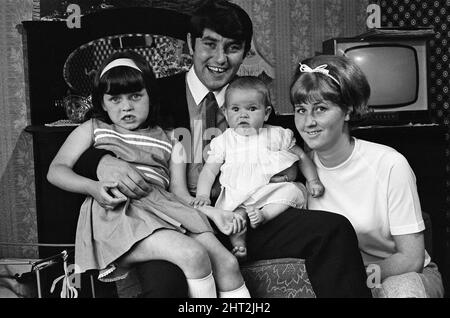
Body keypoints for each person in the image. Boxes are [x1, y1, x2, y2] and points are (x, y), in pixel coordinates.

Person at [74, 0, 372, 298]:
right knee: (165, 284)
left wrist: (289, 175)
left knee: (333, 230)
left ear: (245, 52)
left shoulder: (258, 103)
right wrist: (99, 161)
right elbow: (94, 132)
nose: (220, 58)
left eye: (232, 47)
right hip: (177, 221)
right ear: (191, 44)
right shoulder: (152, 95)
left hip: (246, 215)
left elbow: (293, 148)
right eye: (210, 44)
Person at [47, 51, 251, 298]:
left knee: (227, 263)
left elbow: (178, 194)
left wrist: (213, 212)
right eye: (115, 99)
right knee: (193, 254)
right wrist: (91, 187)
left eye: (135, 96)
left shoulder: (174, 137)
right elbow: (56, 171)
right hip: (121, 214)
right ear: (102, 102)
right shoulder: (93, 129)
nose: (126, 107)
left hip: (166, 208)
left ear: (150, 96)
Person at [290, 54, 445, 298]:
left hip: (403, 274)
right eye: (301, 110)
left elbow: (411, 258)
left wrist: (358, 278)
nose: (308, 122)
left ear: (347, 111)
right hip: (340, 281)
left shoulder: (390, 164)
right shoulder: (296, 169)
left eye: (321, 109)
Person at [192, 76, 324, 259]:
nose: (243, 115)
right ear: (225, 112)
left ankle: (265, 215)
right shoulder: (223, 141)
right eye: (235, 109)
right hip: (239, 194)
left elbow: (301, 156)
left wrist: (313, 180)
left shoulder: (277, 134)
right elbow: (209, 171)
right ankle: (238, 243)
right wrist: (203, 195)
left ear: (266, 112)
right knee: (234, 216)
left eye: (252, 109)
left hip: (270, 192)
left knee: (292, 191)